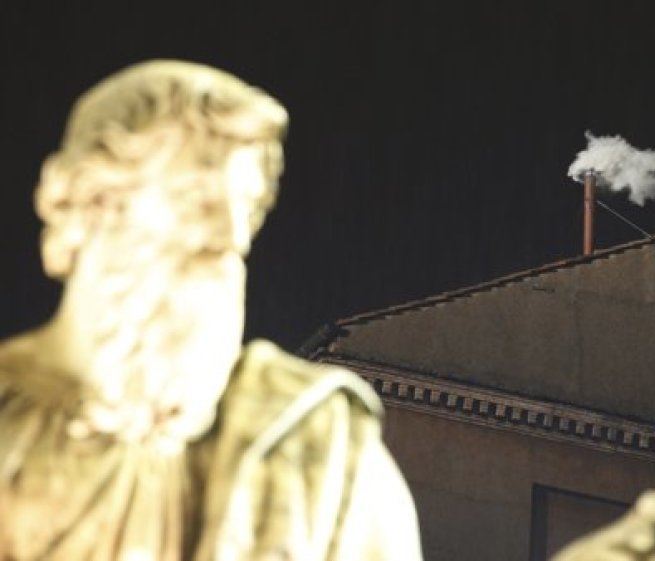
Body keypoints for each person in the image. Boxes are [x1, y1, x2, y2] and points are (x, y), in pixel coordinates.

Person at [0, 60, 422, 561]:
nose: (231, 239)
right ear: (94, 204)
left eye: (244, 208)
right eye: (196, 199)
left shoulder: (318, 452)